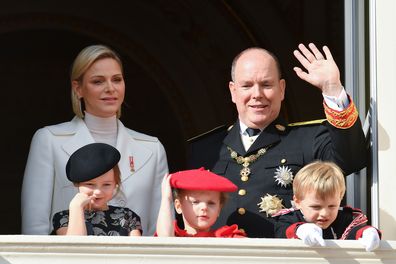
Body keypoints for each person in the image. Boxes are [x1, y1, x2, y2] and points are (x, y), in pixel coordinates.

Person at [186, 43, 367, 238]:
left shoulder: (308, 139)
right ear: (233, 91)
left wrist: (332, 89)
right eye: (247, 85)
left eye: (266, 85)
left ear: (281, 89)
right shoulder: (204, 149)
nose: (257, 94)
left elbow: (352, 159)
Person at [21, 44, 168, 235]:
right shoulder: (49, 140)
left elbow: (160, 229)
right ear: (78, 88)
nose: (110, 88)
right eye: (98, 81)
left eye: (117, 79)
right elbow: (35, 226)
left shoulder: (153, 149)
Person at [273, 161, 380, 252]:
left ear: (340, 198)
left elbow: (355, 231)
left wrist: (367, 233)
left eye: (332, 206)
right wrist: (300, 230)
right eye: (316, 207)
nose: (324, 213)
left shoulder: (346, 218)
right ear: (298, 202)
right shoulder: (289, 219)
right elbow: (283, 231)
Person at [52, 143, 142, 236]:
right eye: (90, 184)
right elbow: (73, 248)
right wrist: (76, 207)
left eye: (106, 184)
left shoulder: (127, 216)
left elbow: (136, 249)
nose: (98, 192)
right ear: (77, 184)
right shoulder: (64, 218)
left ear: (116, 184)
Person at [156, 167, 246, 237]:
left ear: (219, 209)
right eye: (195, 202)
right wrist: (166, 199)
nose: (204, 207)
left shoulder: (228, 237)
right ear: (178, 206)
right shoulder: (173, 235)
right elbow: (164, 240)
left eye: (211, 203)